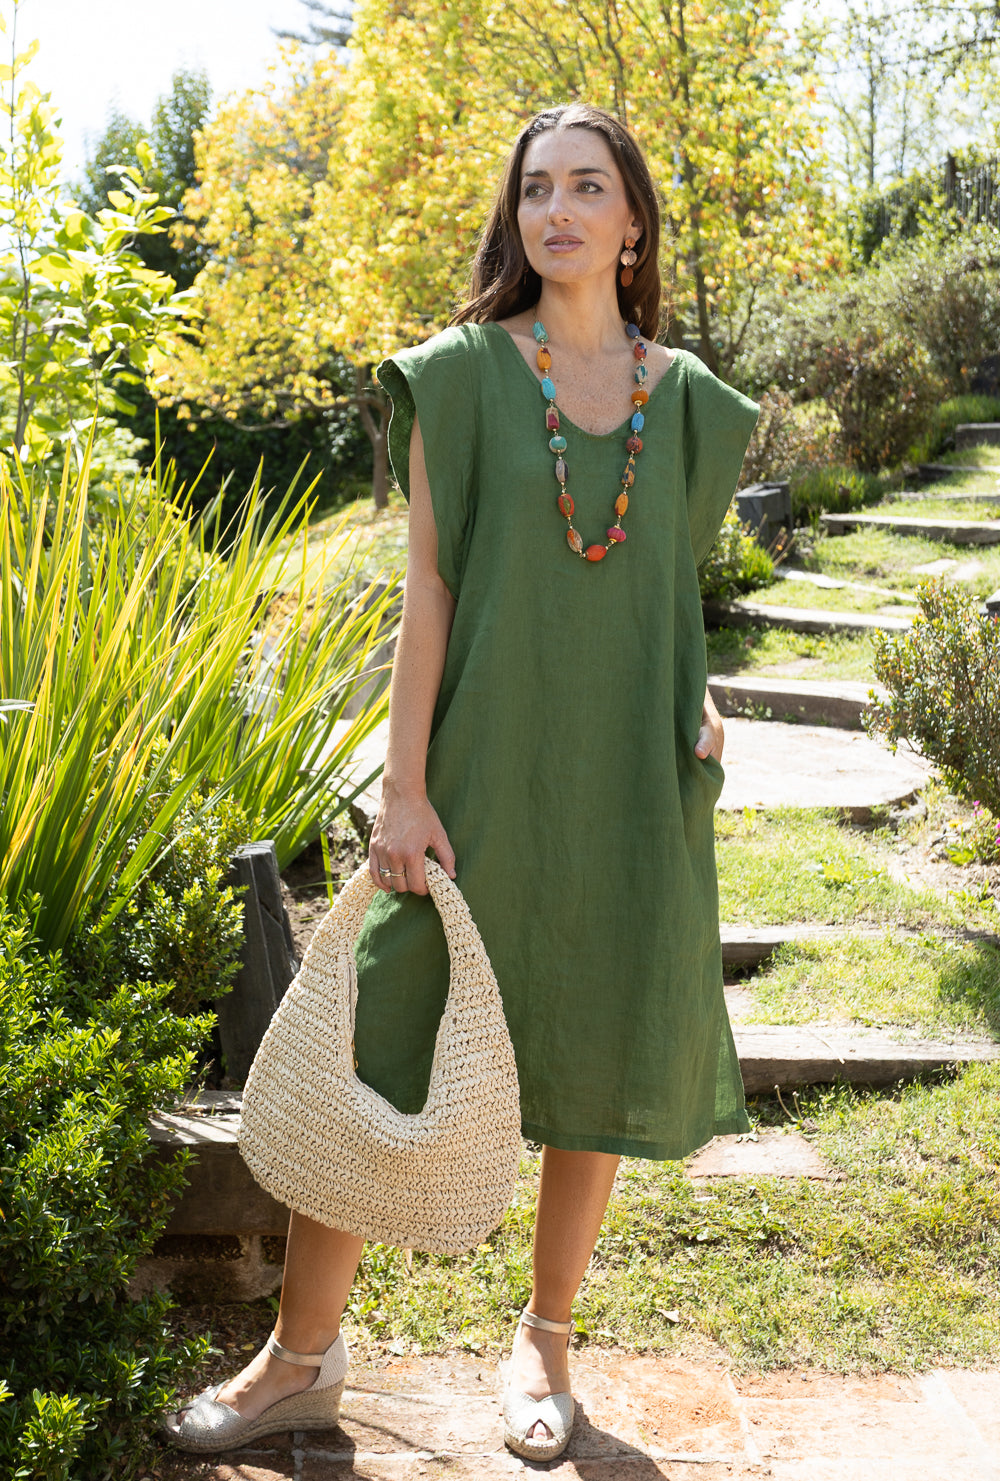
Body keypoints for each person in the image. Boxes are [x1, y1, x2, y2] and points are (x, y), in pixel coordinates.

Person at [164, 101, 758, 1464]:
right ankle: (300, 1358)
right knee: (383, 1034)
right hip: (477, 773)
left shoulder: (688, 398)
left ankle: (545, 1341)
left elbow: (669, 593)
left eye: (587, 186)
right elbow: (427, 590)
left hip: (628, 777)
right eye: (536, 188)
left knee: (599, 1042)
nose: (557, 210)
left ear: (633, 220)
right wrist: (403, 788)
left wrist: (701, 693)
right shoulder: (461, 374)